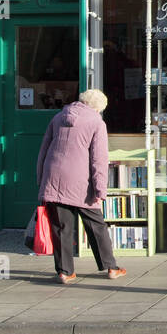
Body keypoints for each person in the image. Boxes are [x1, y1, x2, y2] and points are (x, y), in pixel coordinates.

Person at [35, 88, 125, 283]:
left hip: (54, 179)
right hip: (81, 183)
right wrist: (101, 189)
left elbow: (43, 150)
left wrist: (41, 180)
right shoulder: (96, 123)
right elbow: (99, 160)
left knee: (61, 227)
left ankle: (65, 272)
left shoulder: (59, 117)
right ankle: (111, 267)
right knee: (96, 226)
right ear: (98, 108)